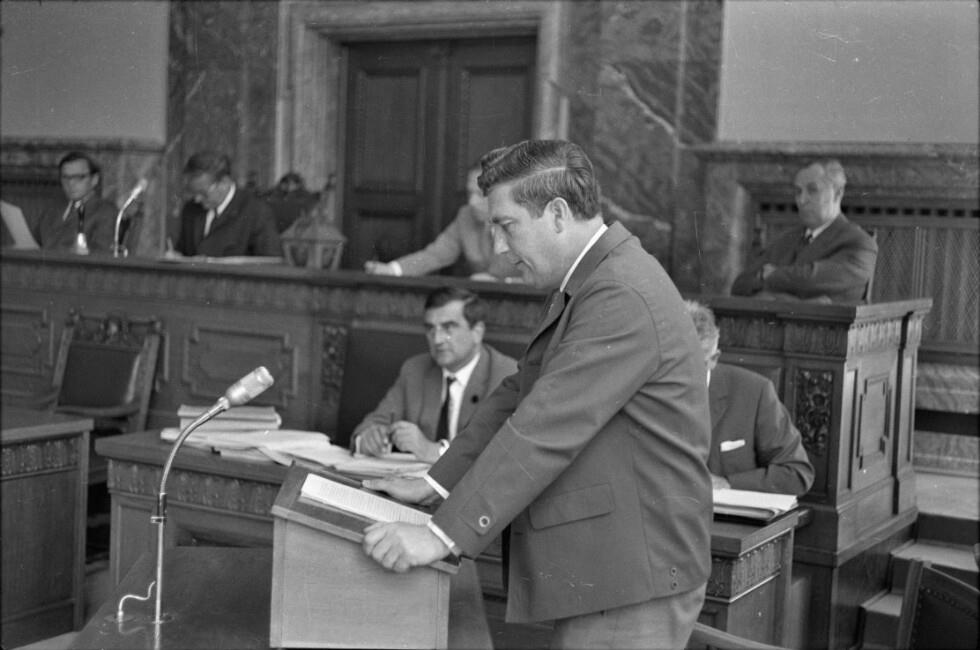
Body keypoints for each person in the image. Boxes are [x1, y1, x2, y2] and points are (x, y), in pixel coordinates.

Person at [360, 140, 713, 649]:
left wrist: (441, 536)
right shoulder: (593, 278)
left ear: (558, 213)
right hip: (613, 568)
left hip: (632, 574)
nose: (500, 248)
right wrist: (437, 483)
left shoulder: (620, 292)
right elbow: (520, 393)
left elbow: (546, 424)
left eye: (507, 226)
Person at [351, 287, 517, 463]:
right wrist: (368, 440)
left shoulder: (508, 376)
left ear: (477, 332)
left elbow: (503, 455)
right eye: (430, 329)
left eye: (448, 328)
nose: (437, 339)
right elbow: (372, 425)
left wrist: (434, 451)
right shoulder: (415, 370)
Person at [685, 300, 814, 496]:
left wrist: (727, 483)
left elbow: (797, 473)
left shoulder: (754, 392)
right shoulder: (644, 388)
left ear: (714, 359)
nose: (680, 374)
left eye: (693, 365)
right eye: (672, 363)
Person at [730, 159, 877, 303]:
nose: (801, 200)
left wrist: (771, 280)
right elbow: (740, 284)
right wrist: (791, 298)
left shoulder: (860, 243)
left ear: (838, 193)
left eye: (813, 190)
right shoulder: (786, 239)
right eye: (798, 191)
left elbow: (811, 281)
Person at [363, 164, 521, 281]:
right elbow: (436, 254)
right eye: (469, 193)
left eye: (480, 194)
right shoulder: (466, 216)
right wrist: (392, 270)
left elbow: (535, 276)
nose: (471, 202)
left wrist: (503, 282)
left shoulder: (523, 219)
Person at [172, 151, 281, 257]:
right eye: (193, 192)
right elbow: (183, 252)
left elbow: (270, 261)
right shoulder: (191, 209)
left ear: (224, 182)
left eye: (203, 193)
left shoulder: (257, 212)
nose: (197, 199)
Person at [30, 152, 116, 252]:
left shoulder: (106, 212)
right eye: (65, 177)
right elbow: (35, 243)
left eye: (79, 177)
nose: (71, 183)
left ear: (94, 179)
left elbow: (102, 253)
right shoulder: (52, 209)